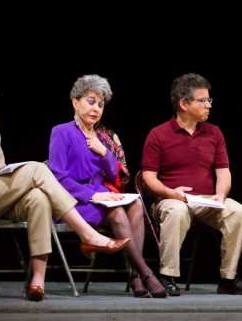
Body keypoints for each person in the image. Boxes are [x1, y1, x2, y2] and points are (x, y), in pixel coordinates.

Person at [0, 62, 130, 302]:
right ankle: (87, 235)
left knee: (38, 197)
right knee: (37, 168)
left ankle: (37, 280)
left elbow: (1, 168)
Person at [48, 74, 167, 298]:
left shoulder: (103, 137)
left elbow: (114, 175)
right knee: (118, 213)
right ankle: (145, 273)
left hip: (101, 195)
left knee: (136, 206)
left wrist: (104, 153)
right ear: (75, 102)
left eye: (101, 104)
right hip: (73, 202)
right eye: (91, 101)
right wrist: (94, 196)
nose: (96, 109)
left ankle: (134, 275)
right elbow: (58, 178)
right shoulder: (61, 132)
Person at [141, 73, 242, 296]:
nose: (209, 105)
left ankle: (228, 278)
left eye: (209, 100)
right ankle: (168, 275)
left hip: (205, 201)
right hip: (170, 200)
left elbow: (223, 172)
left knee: (238, 212)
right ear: (184, 103)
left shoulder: (214, 133)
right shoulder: (158, 134)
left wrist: (220, 196)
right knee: (177, 211)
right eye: (203, 100)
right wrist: (170, 193)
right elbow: (148, 177)